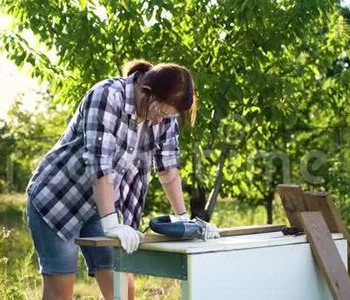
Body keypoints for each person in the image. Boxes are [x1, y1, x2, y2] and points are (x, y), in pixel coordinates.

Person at [25, 59, 219, 300]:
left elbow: (168, 169)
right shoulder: (107, 96)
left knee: (123, 290)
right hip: (57, 200)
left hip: (101, 206)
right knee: (61, 291)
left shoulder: (165, 117)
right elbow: (99, 165)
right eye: (160, 111)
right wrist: (111, 224)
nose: (161, 120)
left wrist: (184, 220)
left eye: (170, 115)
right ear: (147, 93)